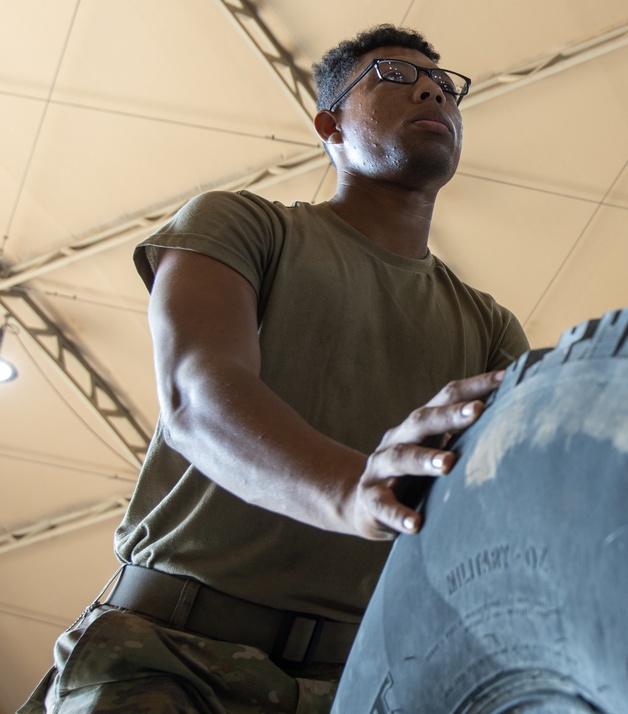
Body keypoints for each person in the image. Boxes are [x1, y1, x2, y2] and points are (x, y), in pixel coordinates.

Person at [21, 24, 528, 713]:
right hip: (167, 657)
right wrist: (352, 488)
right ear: (330, 125)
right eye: (393, 76)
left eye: (443, 85)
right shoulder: (242, 227)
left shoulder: (491, 329)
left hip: (354, 687)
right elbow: (198, 397)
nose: (433, 88)